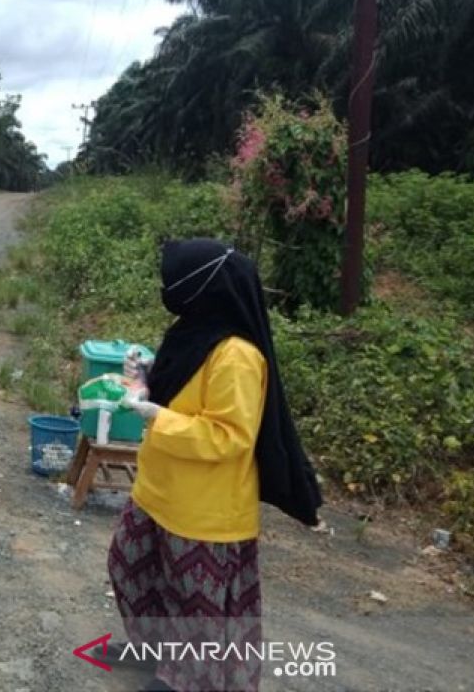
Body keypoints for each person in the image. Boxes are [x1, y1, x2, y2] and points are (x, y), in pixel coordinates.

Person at [111, 239, 322, 692]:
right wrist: (145, 377)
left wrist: (155, 416)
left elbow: (229, 437)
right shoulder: (192, 331)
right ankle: (159, 655)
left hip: (203, 509)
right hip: (158, 489)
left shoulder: (238, 356)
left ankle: (186, 680)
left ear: (204, 289)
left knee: (198, 607)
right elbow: (178, 390)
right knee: (130, 568)